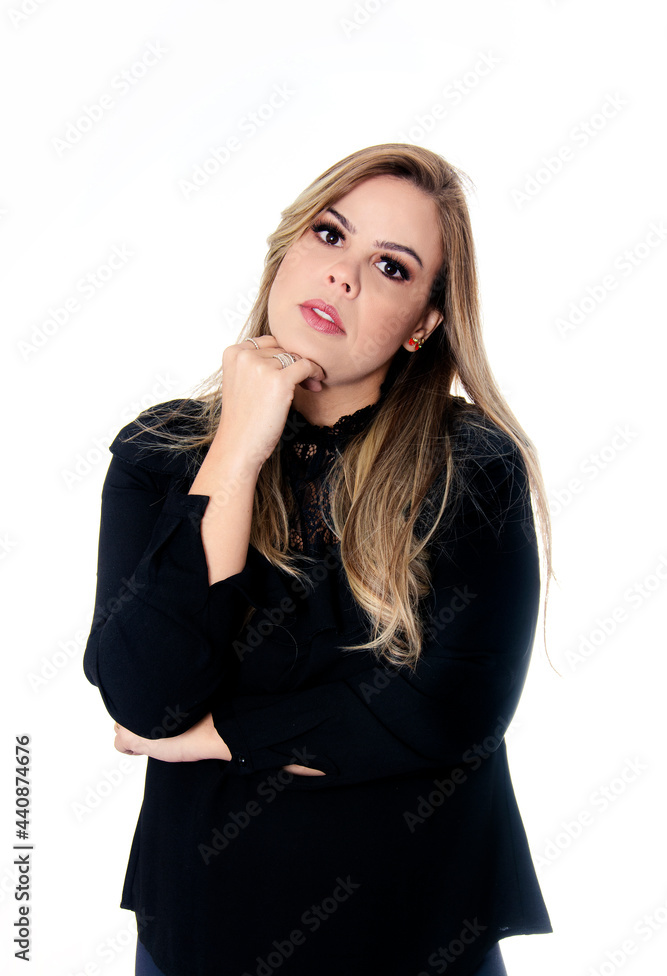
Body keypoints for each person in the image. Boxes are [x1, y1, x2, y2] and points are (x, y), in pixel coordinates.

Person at [83, 143, 554, 976]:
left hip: (418, 935)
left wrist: (213, 735)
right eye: (331, 235)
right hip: (201, 932)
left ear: (423, 326)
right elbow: (148, 696)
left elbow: (451, 713)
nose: (343, 275)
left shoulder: (471, 466)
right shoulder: (160, 453)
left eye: (391, 266)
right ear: (287, 249)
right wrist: (237, 443)